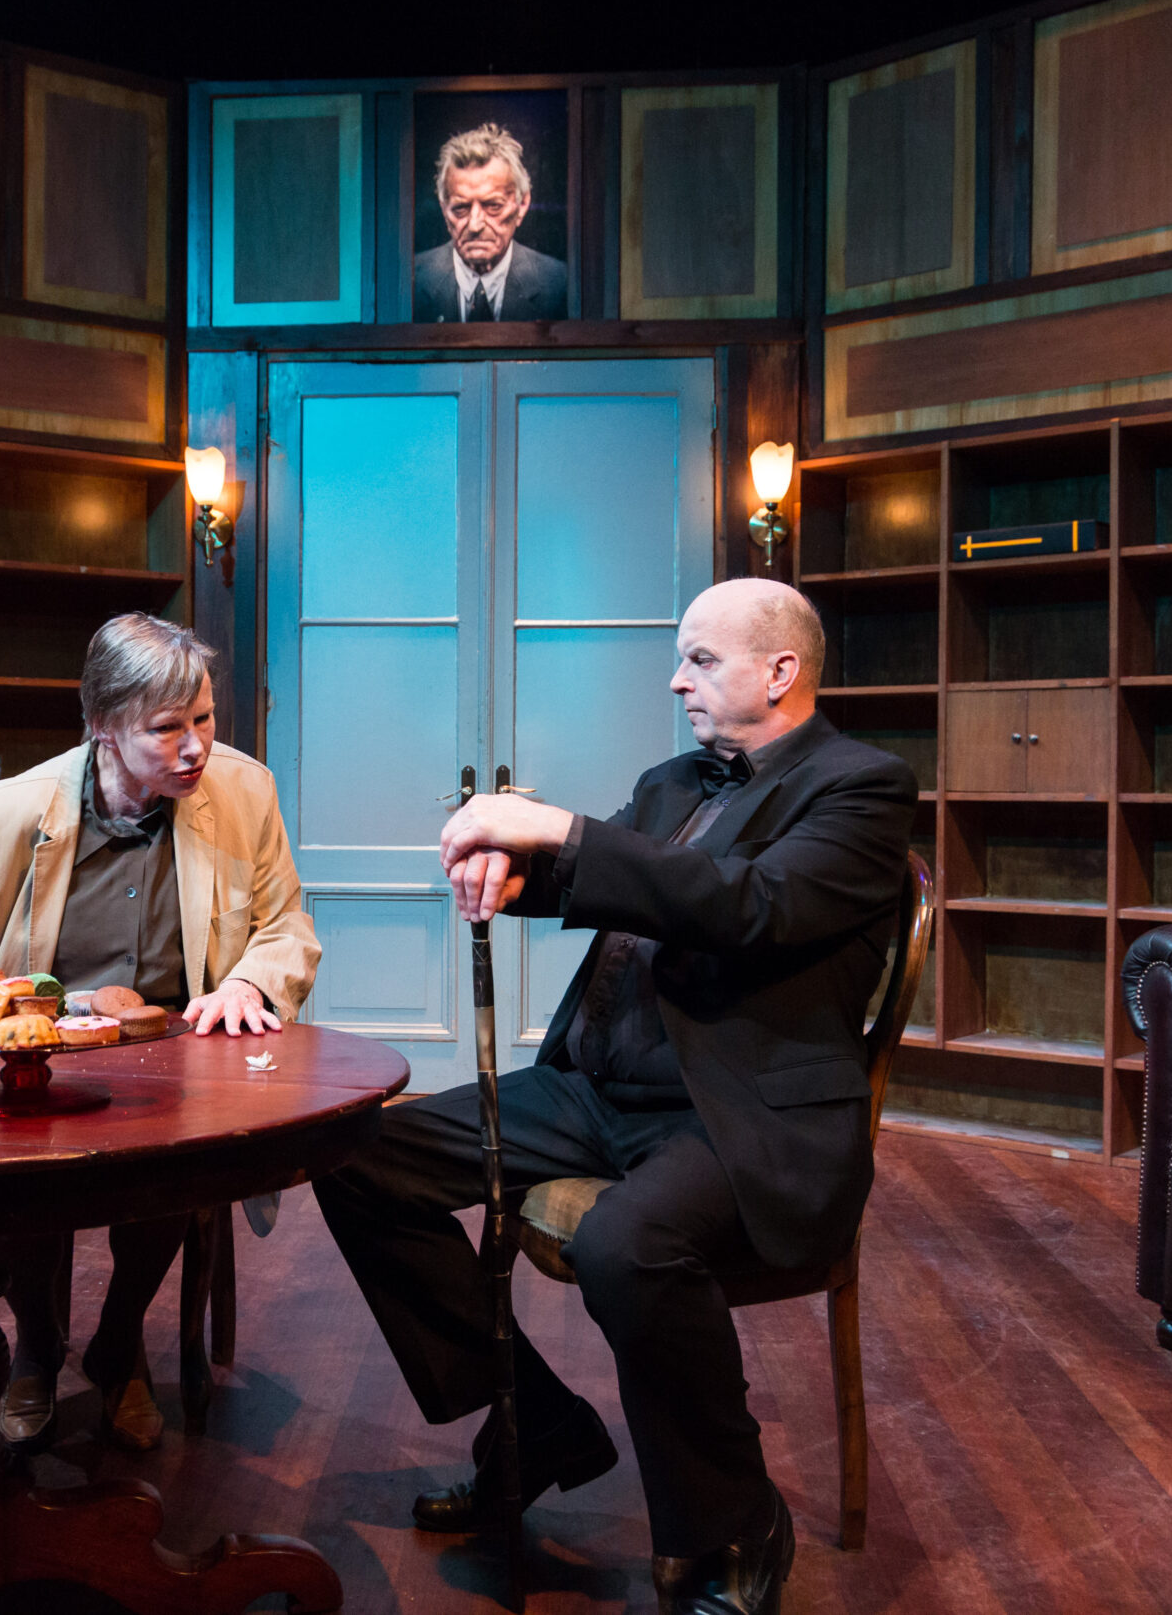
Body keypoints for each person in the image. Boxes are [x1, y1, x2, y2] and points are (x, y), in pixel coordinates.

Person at [313, 579, 916, 1615]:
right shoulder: (672, 781)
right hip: (592, 1089)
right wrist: (514, 873)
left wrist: (555, 823)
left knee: (626, 1245)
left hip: (731, 1113)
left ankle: (736, 1524)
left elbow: (749, 906)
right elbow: (609, 881)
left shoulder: (860, 787)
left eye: (701, 659)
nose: (676, 679)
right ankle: (537, 1427)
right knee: (356, 1157)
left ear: (781, 670)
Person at [0, 613, 319, 1451]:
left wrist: (249, 979)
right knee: (19, 1162)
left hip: (177, 1057)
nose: (196, 747)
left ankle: (120, 1338)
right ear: (102, 725)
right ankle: (36, 1343)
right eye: (167, 728)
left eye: (204, 718)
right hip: (45, 1052)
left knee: (177, 1158)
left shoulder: (244, 794)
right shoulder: (2, 815)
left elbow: (285, 925)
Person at [411, 122, 570, 322]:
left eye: (493, 206)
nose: (475, 225)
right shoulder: (410, 282)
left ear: (522, 204)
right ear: (444, 209)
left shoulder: (561, 284)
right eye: (461, 208)